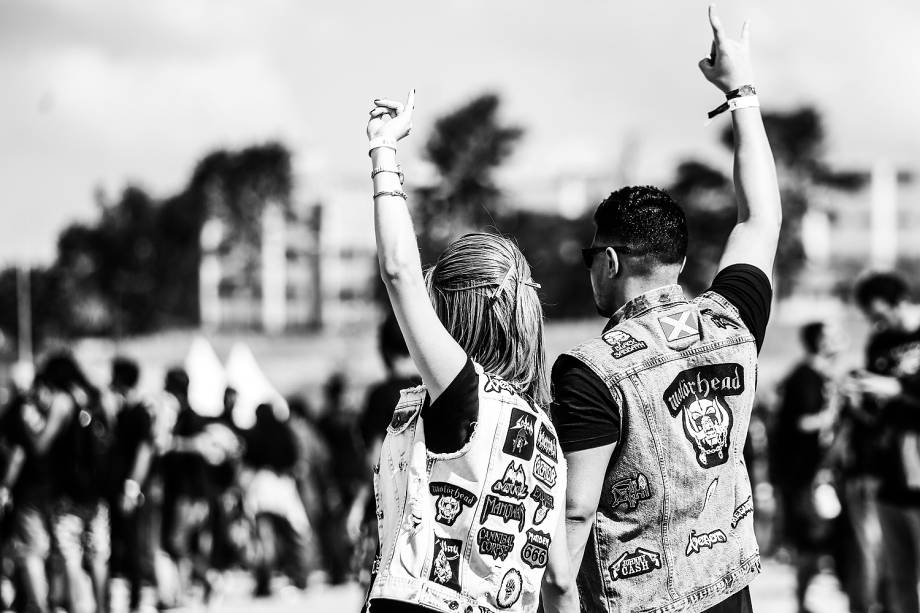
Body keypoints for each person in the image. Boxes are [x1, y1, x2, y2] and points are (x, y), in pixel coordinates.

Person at [552, 8, 781, 613]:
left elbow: (576, 511)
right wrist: (742, 91)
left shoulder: (588, 369)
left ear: (608, 260)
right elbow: (761, 218)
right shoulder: (733, 321)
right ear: (679, 259)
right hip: (731, 593)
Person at [363, 92, 574, 612]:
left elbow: (398, 272)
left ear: (454, 316)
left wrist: (383, 150)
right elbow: (561, 580)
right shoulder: (544, 431)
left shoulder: (461, 395)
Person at [849, 271, 920, 613]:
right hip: (888, 473)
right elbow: (873, 414)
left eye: (879, 314)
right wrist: (860, 397)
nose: (876, 323)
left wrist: (898, 389)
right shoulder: (879, 342)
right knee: (898, 578)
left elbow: (895, 390)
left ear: (900, 302)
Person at [347, 313, 422, 587]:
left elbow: (375, 457)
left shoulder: (381, 396)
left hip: (386, 506)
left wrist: (357, 506)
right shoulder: (428, 391)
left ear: (384, 350)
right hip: (423, 507)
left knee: (375, 585)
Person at [773, 323, 842, 613]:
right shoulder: (806, 377)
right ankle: (803, 602)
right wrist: (833, 413)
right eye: (833, 337)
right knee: (810, 540)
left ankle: (805, 599)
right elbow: (802, 422)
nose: (840, 341)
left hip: (808, 475)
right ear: (821, 343)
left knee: (815, 540)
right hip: (801, 476)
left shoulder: (814, 375)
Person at [106, 357, 157, 613]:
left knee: (133, 541)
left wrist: (132, 486)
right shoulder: (125, 410)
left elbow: (144, 451)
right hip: (121, 485)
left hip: (131, 488)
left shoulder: (140, 412)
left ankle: (136, 599)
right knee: (123, 541)